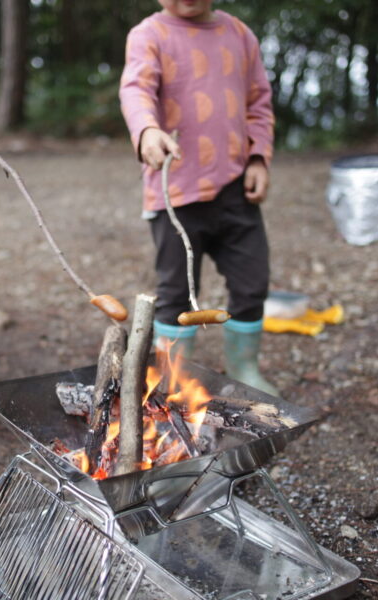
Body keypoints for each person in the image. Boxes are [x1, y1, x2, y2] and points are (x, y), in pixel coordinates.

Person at [119, 0, 279, 395]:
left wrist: (258, 156)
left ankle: (244, 368)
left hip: (234, 188)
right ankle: (174, 379)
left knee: (252, 281)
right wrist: (146, 131)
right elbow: (136, 90)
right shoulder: (149, 35)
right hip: (175, 193)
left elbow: (259, 101)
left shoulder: (239, 35)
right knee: (175, 293)